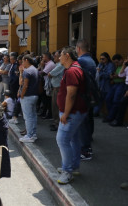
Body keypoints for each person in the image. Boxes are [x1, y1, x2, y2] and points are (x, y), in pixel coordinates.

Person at [56, 46, 88, 184]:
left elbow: (71, 94)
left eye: (61, 55)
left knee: (62, 140)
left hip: (72, 113)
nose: (58, 58)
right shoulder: (73, 69)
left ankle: (67, 171)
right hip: (75, 111)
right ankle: (73, 166)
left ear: (67, 55)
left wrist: (66, 113)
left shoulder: (72, 71)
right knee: (73, 139)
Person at [75, 40, 96, 161]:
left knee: (83, 123)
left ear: (78, 49)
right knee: (87, 121)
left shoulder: (82, 61)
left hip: (83, 95)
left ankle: (86, 149)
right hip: (89, 94)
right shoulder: (91, 60)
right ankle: (86, 145)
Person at [19, 55, 39, 143]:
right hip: (35, 95)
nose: (22, 63)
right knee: (33, 116)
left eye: (23, 61)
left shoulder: (27, 71)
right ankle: (33, 134)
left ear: (26, 60)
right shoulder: (35, 69)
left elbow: (24, 85)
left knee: (28, 117)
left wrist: (22, 95)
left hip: (27, 96)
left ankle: (30, 135)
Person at [104, 54, 126, 124]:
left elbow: (125, 77)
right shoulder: (118, 66)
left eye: (117, 62)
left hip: (121, 84)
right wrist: (113, 76)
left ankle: (111, 117)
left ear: (121, 60)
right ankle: (111, 115)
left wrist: (117, 76)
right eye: (115, 62)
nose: (116, 64)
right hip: (115, 84)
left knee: (116, 101)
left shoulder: (125, 66)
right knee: (108, 98)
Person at [48, 50, 65, 131]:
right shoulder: (57, 64)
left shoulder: (61, 65)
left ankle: (57, 123)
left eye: (56, 56)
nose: (54, 57)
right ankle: (56, 122)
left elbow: (50, 74)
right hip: (55, 87)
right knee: (54, 106)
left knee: (57, 106)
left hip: (58, 88)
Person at [94, 52, 114, 116]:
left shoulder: (110, 65)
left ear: (107, 58)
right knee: (99, 100)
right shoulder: (100, 64)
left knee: (108, 101)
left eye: (103, 59)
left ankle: (110, 115)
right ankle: (95, 112)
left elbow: (109, 75)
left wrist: (100, 72)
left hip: (107, 86)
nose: (102, 60)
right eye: (101, 59)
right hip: (101, 86)